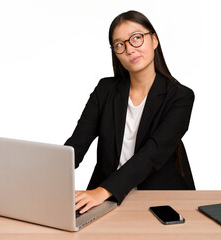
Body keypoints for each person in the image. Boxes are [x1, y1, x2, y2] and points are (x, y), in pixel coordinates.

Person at [65, 10, 195, 214]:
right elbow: (77, 144)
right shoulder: (105, 90)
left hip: (157, 197)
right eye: (120, 44)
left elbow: (153, 153)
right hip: (104, 200)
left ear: (154, 40)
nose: (129, 50)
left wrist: (104, 190)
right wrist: (48, 178)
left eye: (136, 38)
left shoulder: (180, 97)